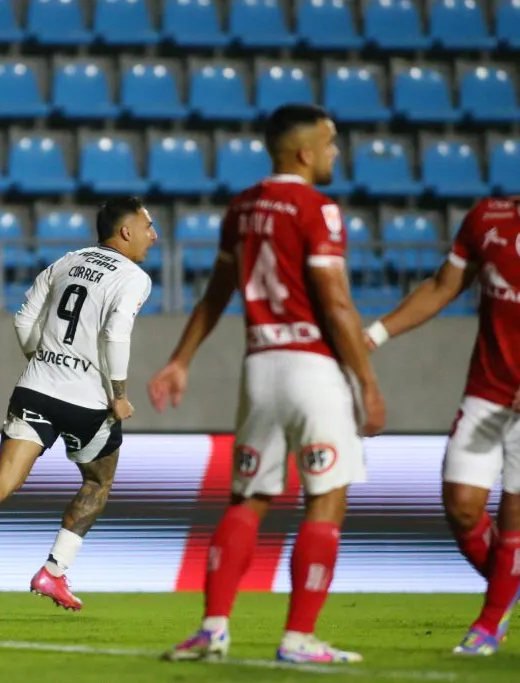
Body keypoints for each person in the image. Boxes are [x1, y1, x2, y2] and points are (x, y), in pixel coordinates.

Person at [147, 104, 386, 665]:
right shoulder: (318, 209)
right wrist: (367, 382)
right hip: (313, 367)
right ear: (303, 152)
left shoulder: (243, 206)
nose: (334, 153)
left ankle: (212, 629)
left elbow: (217, 293)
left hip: (260, 367)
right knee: (326, 498)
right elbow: (336, 301)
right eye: (329, 144)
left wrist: (180, 359)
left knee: (247, 499)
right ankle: (300, 638)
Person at [364, 128, 520, 656]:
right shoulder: (487, 221)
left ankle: (490, 622)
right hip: (487, 389)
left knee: (517, 511)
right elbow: (441, 287)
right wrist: (377, 332)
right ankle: (508, 581)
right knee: (460, 505)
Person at [0, 196, 157, 613]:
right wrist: (119, 397)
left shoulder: (66, 261)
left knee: (2, 478)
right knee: (97, 482)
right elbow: (115, 335)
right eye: (148, 227)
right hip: (88, 401)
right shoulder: (134, 277)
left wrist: (46, 362)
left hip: (35, 387)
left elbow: (23, 320)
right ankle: (53, 570)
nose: (153, 236)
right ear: (125, 231)